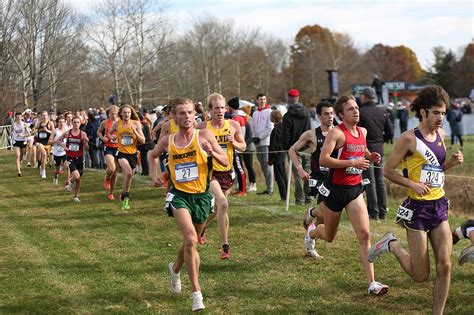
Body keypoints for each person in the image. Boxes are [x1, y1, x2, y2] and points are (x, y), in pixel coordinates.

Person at [368, 85, 464, 315]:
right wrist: (412, 184)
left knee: (445, 264)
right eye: (436, 113)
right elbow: (387, 171)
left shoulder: (441, 134)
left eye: (443, 112)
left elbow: (436, 170)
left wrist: (451, 163)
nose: (441, 117)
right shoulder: (408, 139)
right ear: (423, 112)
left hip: (439, 205)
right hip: (417, 210)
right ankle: (392, 245)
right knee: (420, 276)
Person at [148, 97, 228, 312]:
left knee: (188, 241)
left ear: (196, 115)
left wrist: (212, 152)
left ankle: (174, 269)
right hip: (179, 196)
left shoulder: (204, 135)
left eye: (190, 112)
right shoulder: (168, 140)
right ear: (173, 116)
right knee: (192, 239)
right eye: (182, 113)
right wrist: (154, 175)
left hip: (201, 197)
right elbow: (152, 155)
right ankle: (196, 293)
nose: (187, 117)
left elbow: (226, 161)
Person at [304, 95, 389, 295]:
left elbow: (361, 149)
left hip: (354, 189)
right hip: (335, 191)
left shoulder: (363, 131)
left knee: (364, 235)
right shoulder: (336, 133)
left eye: (356, 107)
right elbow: (324, 160)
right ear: (341, 114)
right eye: (351, 109)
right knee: (329, 236)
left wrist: (369, 156)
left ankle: (372, 283)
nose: (356, 111)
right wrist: (353, 163)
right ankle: (312, 233)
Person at [196, 93, 246, 259]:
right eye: (216, 108)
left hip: (227, 171)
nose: (220, 111)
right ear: (209, 110)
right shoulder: (201, 127)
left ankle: (201, 227)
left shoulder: (233, 125)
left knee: (218, 209)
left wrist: (233, 142)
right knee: (223, 204)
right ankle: (225, 247)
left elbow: (243, 147)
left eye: (222, 107)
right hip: (210, 172)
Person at [289, 100, 334, 239]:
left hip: (335, 178)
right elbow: (292, 150)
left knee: (326, 216)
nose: (330, 117)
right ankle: (312, 216)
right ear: (319, 116)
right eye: (326, 114)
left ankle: (311, 231)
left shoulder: (339, 133)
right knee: (327, 213)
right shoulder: (311, 134)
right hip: (318, 178)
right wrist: (300, 169)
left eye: (332, 113)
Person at [358, 88, 393, 220]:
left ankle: (373, 212)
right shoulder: (383, 111)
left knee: (369, 181)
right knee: (379, 181)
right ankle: (383, 211)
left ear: (365, 97)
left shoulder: (361, 112)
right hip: (379, 148)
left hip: (365, 148)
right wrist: (380, 141)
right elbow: (390, 132)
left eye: (361, 96)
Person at [108, 105, 145, 210]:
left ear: (131, 113)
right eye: (124, 112)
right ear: (121, 113)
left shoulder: (136, 123)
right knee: (128, 173)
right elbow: (109, 134)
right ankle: (126, 200)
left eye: (128, 112)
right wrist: (112, 137)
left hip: (133, 154)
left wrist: (136, 132)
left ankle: (123, 194)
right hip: (121, 153)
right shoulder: (117, 123)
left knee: (128, 178)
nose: (126, 114)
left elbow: (143, 140)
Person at [281, 89, 312, 205]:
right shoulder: (307, 113)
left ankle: (300, 199)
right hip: (307, 147)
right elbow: (309, 129)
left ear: (289, 99)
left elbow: (286, 135)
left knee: (298, 174)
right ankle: (309, 198)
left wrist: (287, 148)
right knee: (307, 172)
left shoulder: (288, 116)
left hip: (294, 148)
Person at [57, 116, 89, 202]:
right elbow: (58, 140)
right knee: (77, 176)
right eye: (74, 122)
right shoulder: (67, 133)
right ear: (72, 123)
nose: (76, 124)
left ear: (80, 123)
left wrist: (86, 142)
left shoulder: (83, 134)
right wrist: (64, 146)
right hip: (71, 158)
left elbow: (86, 148)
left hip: (80, 158)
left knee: (78, 179)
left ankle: (75, 196)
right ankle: (70, 182)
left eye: (78, 122)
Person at [252, 93, 274, 195]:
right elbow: (253, 127)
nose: (262, 101)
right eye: (260, 99)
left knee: (267, 165)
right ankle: (268, 187)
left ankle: (270, 189)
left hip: (265, 142)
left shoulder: (269, 112)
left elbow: (270, 128)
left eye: (264, 99)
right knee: (262, 165)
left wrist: (260, 137)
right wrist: (254, 137)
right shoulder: (255, 113)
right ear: (257, 100)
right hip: (257, 143)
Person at [97, 105, 119, 200]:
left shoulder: (121, 123)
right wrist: (102, 138)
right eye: (111, 114)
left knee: (115, 173)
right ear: (108, 114)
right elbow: (98, 132)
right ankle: (106, 178)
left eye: (115, 113)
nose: (113, 115)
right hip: (109, 147)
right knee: (112, 167)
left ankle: (111, 193)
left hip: (119, 148)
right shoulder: (105, 122)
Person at [227, 97, 247, 196]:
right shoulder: (235, 117)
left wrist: (238, 144)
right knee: (237, 168)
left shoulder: (237, 118)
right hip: (235, 146)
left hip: (237, 146)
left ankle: (243, 190)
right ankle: (240, 188)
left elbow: (242, 134)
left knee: (239, 168)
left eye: (228, 106)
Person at [268, 109, 287, 201]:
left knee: (280, 177)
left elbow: (274, 146)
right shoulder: (283, 127)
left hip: (277, 156)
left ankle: (284, 196)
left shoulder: (276, 129)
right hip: (282, 154)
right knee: (283, 175)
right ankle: (286, 195)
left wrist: (271, 159)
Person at [32, 111, 55, 179]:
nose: (44, 117)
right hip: (39, 142)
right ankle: (43, 171)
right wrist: (34, 131)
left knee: (45, 156)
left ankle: (41, 166)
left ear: (48, 116)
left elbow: (54, 132)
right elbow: (34, 129)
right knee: (44, 154)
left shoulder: (50, 123)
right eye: (43, 115)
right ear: (41, 116)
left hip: (47, 142)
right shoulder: (39, 123)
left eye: (45, 115)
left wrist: (47, 130)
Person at [241, 104, 257, 192]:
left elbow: (250, 135)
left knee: (250, 166)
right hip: (245, 146)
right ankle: (250, 183)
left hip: (249, 147)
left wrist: (244, 144)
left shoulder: (249, 120)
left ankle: (253, 184)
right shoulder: (245, 119)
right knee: (247, 166)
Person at [51, 116, 69, 186]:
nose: (62, 123)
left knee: (67, 167)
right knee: (57, 169)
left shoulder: (67, 130)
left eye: (63, 122)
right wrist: (57, 140)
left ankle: (67, 183)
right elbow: (49, 142)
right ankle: (55, 176)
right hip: (57, 152)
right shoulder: (55, 131)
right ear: (57, 123)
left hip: (65, 152)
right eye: (60, 122)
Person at [10, 112, 30, 177]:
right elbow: (10, 132)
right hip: (16, 142)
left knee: (22, 156)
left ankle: (20, 162)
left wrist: (23, 135)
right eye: (17, 117)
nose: (18, 118)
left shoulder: (24, 124)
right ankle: (19, 171)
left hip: (23, 141)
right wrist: (10, 136)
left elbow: (29, 133)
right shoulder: (13, 125)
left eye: (19, 117)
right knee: (18, 156)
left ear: (21, 117)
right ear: (15, 117)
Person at [137, 112, 154, 176]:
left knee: (144, 158)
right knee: (143, 158)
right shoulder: (143, 124)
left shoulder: (143, 125)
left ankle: (146, 172)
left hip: (146, 144)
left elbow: (144, 136)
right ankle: (144, 171)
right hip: (144, 144)